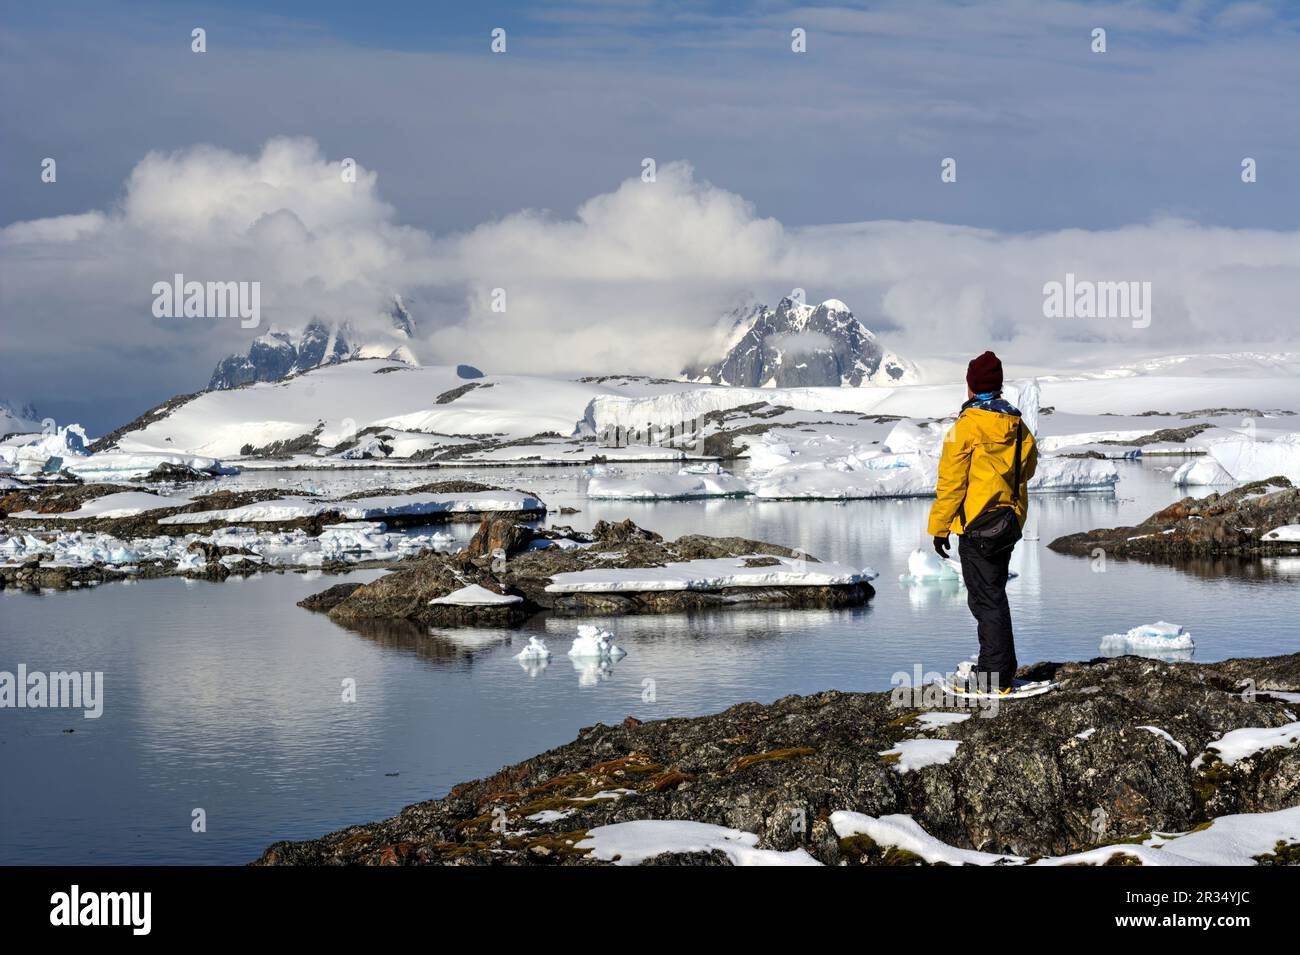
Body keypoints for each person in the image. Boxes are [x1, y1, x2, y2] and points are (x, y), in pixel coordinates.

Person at [926, 351, 1037, 694]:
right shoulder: (1017, 424)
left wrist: (939, 528)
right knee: (994, 595)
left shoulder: (966, 427)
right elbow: (1028, 469)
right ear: (999, 385)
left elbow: (952, 483)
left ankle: (995, 677)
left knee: (985, 600)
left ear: (971, 386)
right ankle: (999, 667)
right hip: (1008, 523)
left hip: (976, 527)